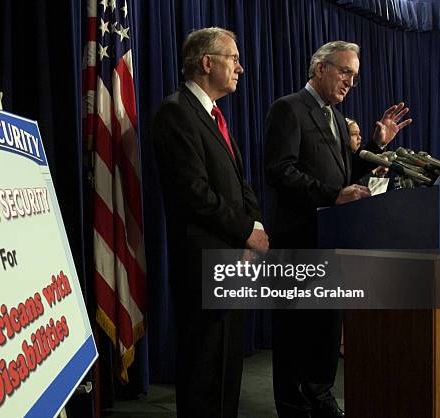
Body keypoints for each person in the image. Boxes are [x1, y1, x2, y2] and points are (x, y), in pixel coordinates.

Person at [264, 41, 412, 418]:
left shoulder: (334, 116)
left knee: (326, 331)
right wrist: (334, 194)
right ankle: (294, 406)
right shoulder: (289, 108)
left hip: (331, 240)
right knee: (296, 333)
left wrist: (376, 145)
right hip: (298, 240)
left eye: (354, 77)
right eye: (345, 72)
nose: (350, 82)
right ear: (319, 69)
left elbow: (344, 176)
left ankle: (320, 393)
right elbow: (280, 171)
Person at [152, 27, 268, 418]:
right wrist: (245, 233)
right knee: (204, 366)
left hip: (231, 258)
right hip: (203, 262)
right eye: (233, 59)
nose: (241, 68)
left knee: (227, 363)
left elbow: (239, 184)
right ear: (207, 63)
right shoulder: (176, 111)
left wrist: (255, 228)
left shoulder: (213, 115)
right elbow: (194, 192)